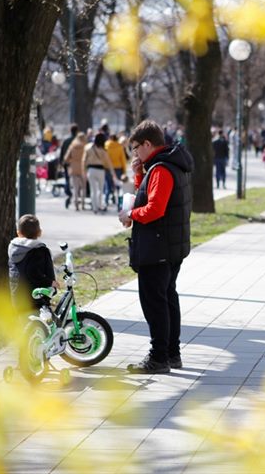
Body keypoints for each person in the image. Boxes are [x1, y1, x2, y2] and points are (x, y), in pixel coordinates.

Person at [118, 120, 193, 374]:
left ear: (148, 144)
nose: (135, 153)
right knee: (168, 298)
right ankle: (172, 354)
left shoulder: (161, 169)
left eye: (136, 148)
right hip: (170, 245)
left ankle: (159, 357)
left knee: (155, 302)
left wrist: (130, 214)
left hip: (158, 248)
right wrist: (139, 174)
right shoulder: (170, 164)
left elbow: (154, 209)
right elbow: (150, 196)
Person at [7, 214, 58, 318]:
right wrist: (50, 282)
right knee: (48, 324)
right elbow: (34, 273)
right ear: (40, 232)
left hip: (17, 296)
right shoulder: (40, 250)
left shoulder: (13, 249)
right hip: (36, 297)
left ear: (18, 233)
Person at [83, 132, 117, 214]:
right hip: (101, 170)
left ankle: (94, 208)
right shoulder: (103, 151)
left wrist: (84, 171)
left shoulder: (88, 148)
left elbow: (84, 160)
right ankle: (98, 206)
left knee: (93, 189)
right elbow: (109, 163)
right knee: (100, 190)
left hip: (91, 170)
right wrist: (113, 174)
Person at [63, 132, 87, 211]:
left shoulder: (72, 146)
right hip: (83, 168)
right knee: (83, 188)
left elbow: (66, 158)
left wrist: (72, 160)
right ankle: (83, 204)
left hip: (73, 168)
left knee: (75, 188)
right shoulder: (85, 146)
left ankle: (76, 204)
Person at [104, 133, 128, 206]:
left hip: (108, 168)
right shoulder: (119, 147)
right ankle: (119, 203)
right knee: (118, 187)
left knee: (108, 185)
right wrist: (124, 170)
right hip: (118, 168)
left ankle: (106, 202)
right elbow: (123, 159)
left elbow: (105, 159)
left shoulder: (106, 146)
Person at [59, 124, 79, 208]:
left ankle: (69, 194)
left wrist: (61, 162)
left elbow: (62, 152)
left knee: (67, 179)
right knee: (77, 182)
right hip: (77, 164)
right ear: (77, 131)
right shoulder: (78, 141)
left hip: (67, 164)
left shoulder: (66, 141)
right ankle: (76, 196)